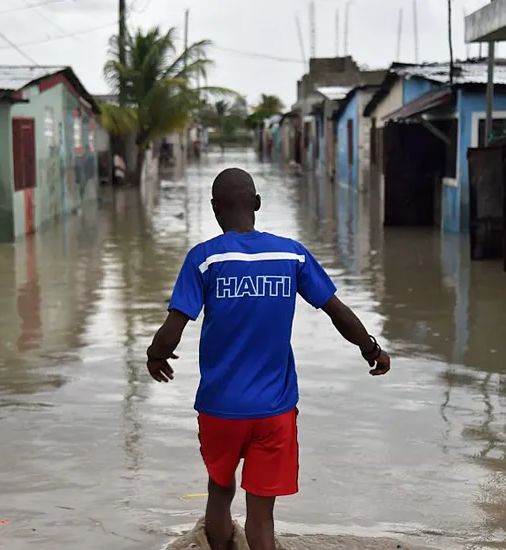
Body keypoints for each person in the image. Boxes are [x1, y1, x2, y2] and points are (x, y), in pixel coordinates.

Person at [145, 167, 391, 550]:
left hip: (219, 409)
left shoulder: (204, 259)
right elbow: (336, 310)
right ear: (257, 203)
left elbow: (175, 325)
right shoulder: (290, 254)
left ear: (214, 208)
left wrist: (155, 356)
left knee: (220, 492)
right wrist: (371, 349)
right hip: (274, 411)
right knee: (262, 515)